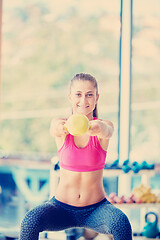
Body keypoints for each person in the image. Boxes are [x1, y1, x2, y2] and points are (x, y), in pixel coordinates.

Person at [20, 73, 132, 240]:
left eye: (89, 95)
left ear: (96, 98)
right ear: (70, 97)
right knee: (30, 221)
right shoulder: (61, 125)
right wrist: (65, 127)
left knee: (121, 223)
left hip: (96, 210)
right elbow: (55, 129)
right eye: (78, 94)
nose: (83, 100)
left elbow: (106, 130)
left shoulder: (103, 126)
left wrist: (93, 127)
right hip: (61, 208)